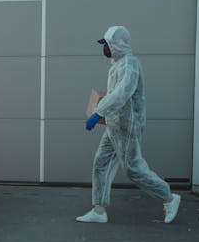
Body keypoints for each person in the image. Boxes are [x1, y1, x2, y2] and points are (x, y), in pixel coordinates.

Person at [77, 25, 181, 224]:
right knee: (101, 163)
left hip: (127, 126)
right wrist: (101, 110)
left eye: (106, 44)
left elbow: (122, 94)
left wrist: (98, 112)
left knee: (133, 169)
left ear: (117, 44)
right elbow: (113, 93)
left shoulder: (130, 64)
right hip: (113, 124)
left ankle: (169, 197)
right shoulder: (116, 65)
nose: (104, 48)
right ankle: (99, 210)